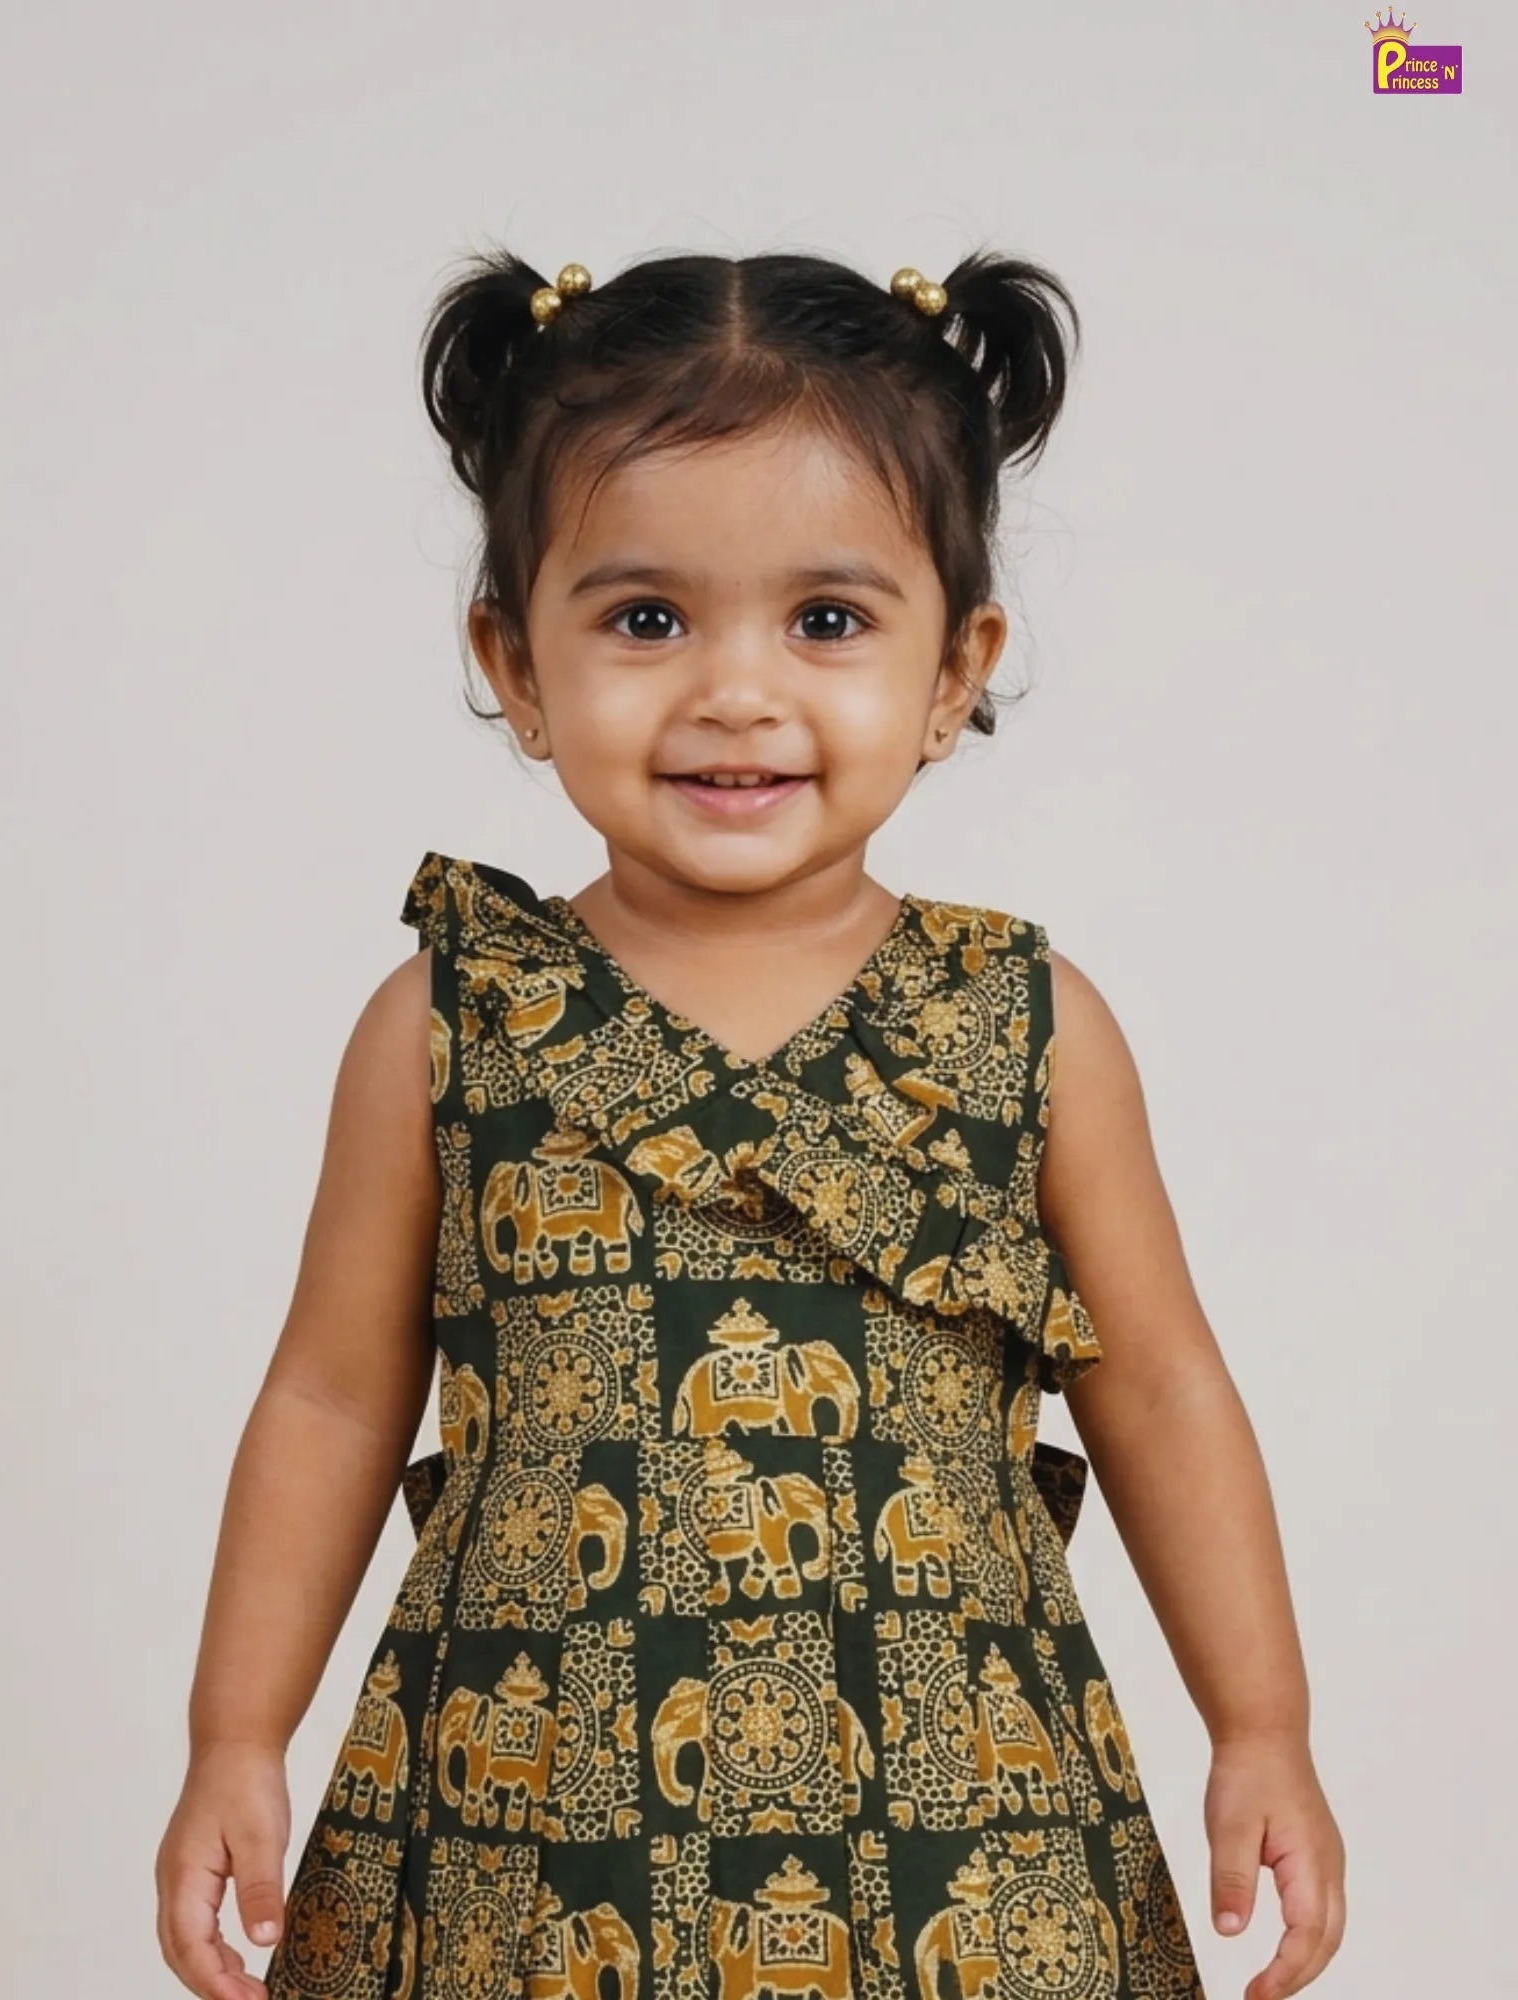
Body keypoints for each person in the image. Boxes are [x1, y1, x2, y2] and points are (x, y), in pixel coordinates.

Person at [154, 246, 1346, 2000]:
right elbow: (331, 1396)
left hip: (964, 1827)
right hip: (535, 1820)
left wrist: (1264, 1724)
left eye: (830, 620)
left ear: (957, 671)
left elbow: (1161, 1383)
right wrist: (233, 1738)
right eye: (647, 618)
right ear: (517, 660)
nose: (735, 690)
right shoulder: (446, 1025)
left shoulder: (1033, 1028)